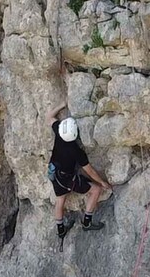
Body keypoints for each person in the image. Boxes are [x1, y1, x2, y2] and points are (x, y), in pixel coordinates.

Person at [47, 102, 111, 239]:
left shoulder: (59, 131)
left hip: (54, 173)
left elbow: (49, 116)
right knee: (96, 190)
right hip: (67, 179)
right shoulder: (76, 151)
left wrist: (61, 105)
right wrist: (102, 182)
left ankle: (60, 230)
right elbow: (90, 171)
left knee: (60, 200)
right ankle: (87, 222)